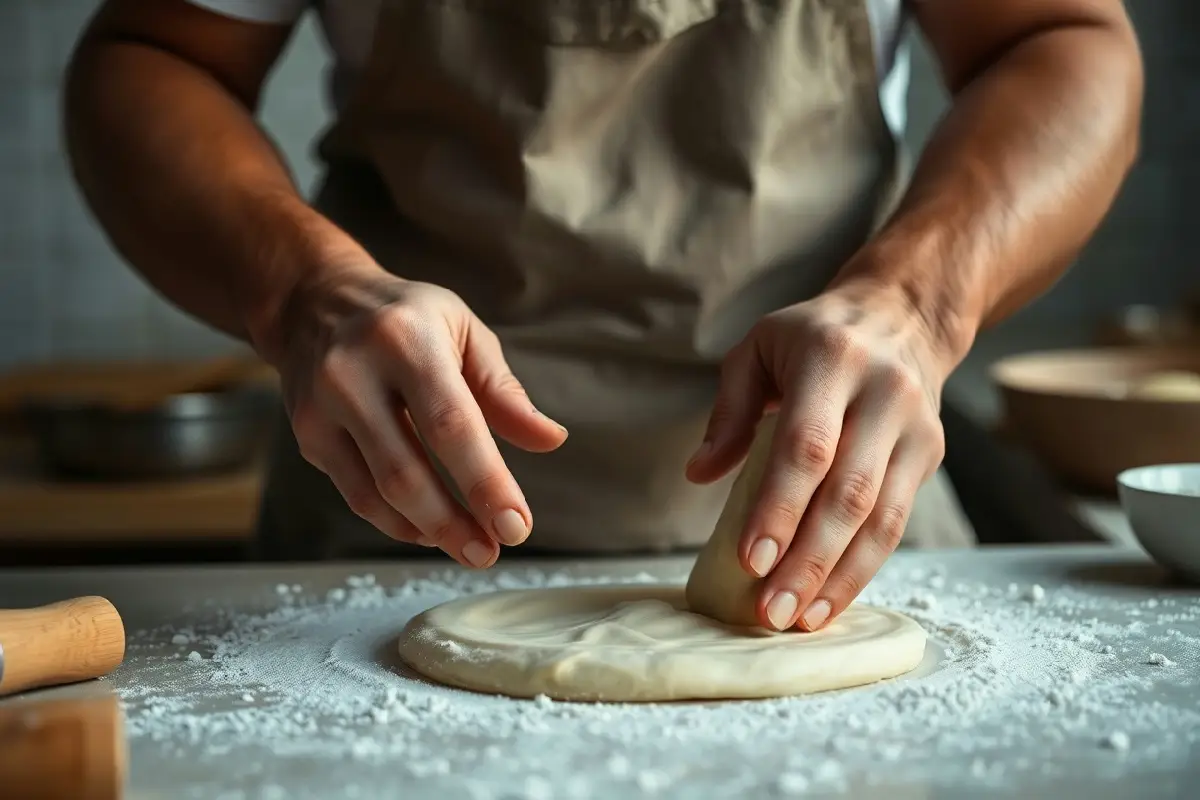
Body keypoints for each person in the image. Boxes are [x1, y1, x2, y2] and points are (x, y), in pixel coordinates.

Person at [64, 0, 1142, 632]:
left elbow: (1064, 37)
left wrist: (914, 301)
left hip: (838, 527)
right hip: (383, 520)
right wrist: (304, 291)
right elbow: (153, 56)